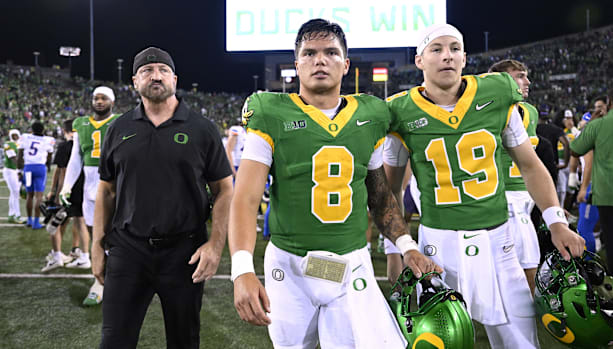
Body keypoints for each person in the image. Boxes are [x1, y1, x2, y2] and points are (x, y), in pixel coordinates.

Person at [229, 19, 439, 349]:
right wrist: (241, 268)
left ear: (346, 64)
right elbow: (245, 198)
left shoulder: (369, 116)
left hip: (348, 263)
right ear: (297, 64)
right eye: (310, 53)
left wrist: (406, 246)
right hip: (291, 266)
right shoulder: (270, 112)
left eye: (331, 52)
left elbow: (379, 195)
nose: (320, 60)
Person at [383, 23, 585, 349]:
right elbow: (391, 190)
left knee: (521, 342)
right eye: (436, 49)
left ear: (464, 57)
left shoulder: (495, 94)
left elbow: (530, 164)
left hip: (498, 244)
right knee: (438, 342)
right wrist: (396, 249)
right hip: (438, 249)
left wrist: (557, 222)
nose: (447, 56)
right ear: (420, 60)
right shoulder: (398, 111)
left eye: (454, 48)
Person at [92, 46, 233, 348]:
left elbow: (224, 189)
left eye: (162, 70)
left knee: (184, 342)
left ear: (174, 78)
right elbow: (106, 189)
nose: (155, 76)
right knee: (114, 342)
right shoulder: (118, 128)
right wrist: (95, 244)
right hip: (128, 249)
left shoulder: (202, 129)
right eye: (147, 71)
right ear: (134, 81)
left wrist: (215, 245)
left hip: (184, 252)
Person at [60, 86, 120, 306]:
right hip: (89, 186)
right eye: (96, 98)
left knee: (117, 237)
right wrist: (66, 186)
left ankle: (112, 281)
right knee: (96, 237)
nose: (99, 101)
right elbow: (75, 158)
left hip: (115, 184)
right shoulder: (81, 124)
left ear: (112, 102)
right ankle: (100, 281)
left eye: (104, 98)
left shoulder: (121, 122)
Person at [488, 59, 541, 296]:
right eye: (520, 76)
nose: (526, 81)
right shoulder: (488, 112)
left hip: (524, 196)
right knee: (527, 266)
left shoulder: (530, 112)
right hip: (502, 197)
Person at [571, 86, 613, 289]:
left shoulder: (600, 124)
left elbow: (576, 148)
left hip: (608, 194)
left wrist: (591, 124)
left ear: (609, 103)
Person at [42, 119, 89, 272]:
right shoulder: (85, 143)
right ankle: (82, 254)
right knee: (80, 222)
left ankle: (56, 256)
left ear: (65, 130)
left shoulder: (64, 146)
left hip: (69, 189)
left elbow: (61, 171)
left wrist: (57, 193)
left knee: (54, 222)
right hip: (84, 187)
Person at [17, 121, 54, 229]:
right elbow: (50, 156)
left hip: (28, 168)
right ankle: (36, 223)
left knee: (29, 195)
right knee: (39, 196)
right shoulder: (48, 140)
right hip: (40, 168)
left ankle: (29, 220)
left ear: (31, 130)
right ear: (43, 130)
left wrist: (19, 170)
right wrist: (48, 166)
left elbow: (20, 155)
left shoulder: (25, 137)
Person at [557, 109, 579, 209]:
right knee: (561, 190)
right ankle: (560, 214)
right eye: (567, 119)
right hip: (561, 162)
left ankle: (566, 211)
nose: (569, 121)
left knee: (571, 190)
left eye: (571, 118)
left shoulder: (576, 131)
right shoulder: (558, 130)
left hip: (573, 164)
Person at [3, 129, 26, 223]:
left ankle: (11, 215)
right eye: (13, 135)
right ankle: (17, 215)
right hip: (10, 170)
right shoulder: (8, 144)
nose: (15, 137)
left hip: (15, 171)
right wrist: (22, 168)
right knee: (16, 192)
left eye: (16, 135)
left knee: (13, 193)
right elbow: (13, 158)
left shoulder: (19, 144)